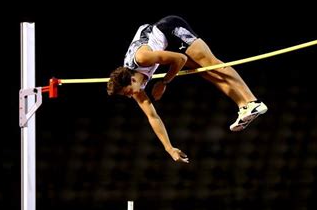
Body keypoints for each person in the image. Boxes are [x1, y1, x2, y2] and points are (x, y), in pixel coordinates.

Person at [107, 15, 267, 163]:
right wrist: (169, 149)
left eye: (128, 92)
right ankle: (243, 105)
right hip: (167, 44)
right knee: (205, 72)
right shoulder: (136, 85)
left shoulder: (142, 58)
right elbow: (152, 117)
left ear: (132, 79)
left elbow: (180, 59)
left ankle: (253, 101)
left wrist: (164, 82)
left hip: (170, 29)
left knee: (212, 64)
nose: (130, 96)